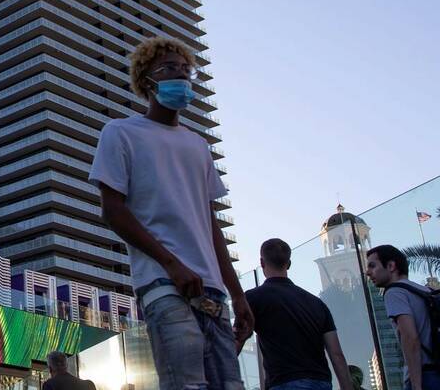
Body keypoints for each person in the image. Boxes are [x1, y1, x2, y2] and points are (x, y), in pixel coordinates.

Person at [89, 36, 252, 390]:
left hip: (213, 293)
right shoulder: (120, 133)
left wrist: (238, 293)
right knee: (186, 383)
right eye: (168, 69)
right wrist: (171, 263)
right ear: (146, 80)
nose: (180, 75)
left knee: (231, 385)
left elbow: (211, 225)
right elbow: (112, 211)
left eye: (185, 69)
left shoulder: (198, 145)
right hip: (163, 285)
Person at [238, 238, 354, 390]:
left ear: (262, 262)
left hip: (284, 382)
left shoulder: (253, 298)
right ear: (289, 264)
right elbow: (336, 354)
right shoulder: (317, 303)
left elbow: (238, 338)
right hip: (321, 382)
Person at [366, 244, 440, 390]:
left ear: (391, 266)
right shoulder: (427, 291)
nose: (368, 272)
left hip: (424, 375)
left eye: (372, 266)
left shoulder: (394, 292)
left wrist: (416, 385)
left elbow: (410, 337)